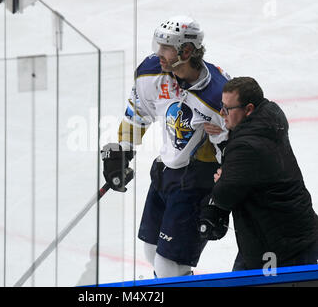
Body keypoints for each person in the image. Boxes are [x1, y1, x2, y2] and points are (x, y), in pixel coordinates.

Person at [101, 15, 230, 278]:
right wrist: (122, 150)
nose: (158, 53)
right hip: (165, 170)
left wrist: (220, 200)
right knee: (151, 250)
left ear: (187, 50)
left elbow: (232, 150)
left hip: (197, 180)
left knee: (170, 266)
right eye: (158, 45)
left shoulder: (217, 95)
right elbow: (137, 112)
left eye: (166, 47)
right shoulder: (151, 72)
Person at [199, 76, 318, 271]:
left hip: (279, 246)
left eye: (227, 109)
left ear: (249, 109)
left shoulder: (246, 146)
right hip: (287, 234)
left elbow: (223, 195)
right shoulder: (269, 122)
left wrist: (223, 178)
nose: (222, 113)